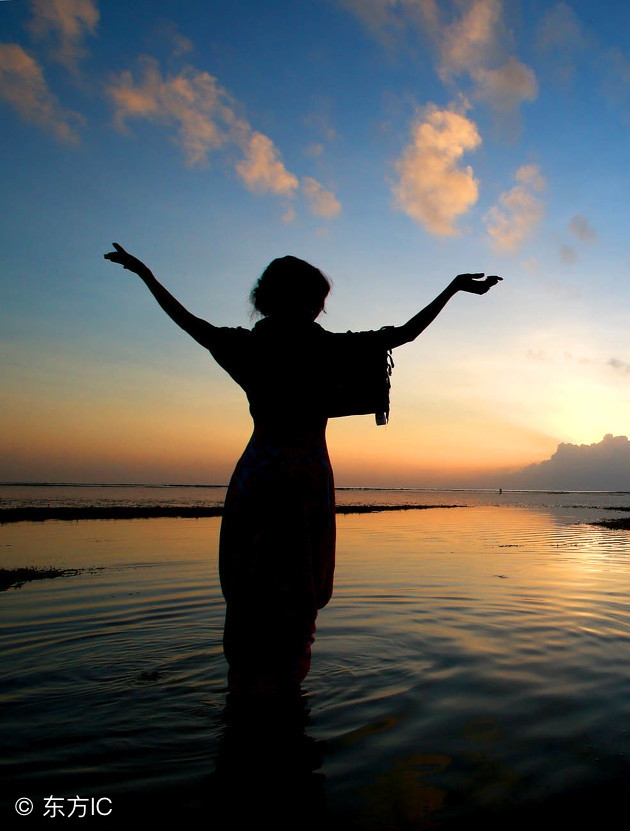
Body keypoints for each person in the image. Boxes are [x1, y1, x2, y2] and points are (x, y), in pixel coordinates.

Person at [104, 243, 500, 696]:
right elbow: (404, 333)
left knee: (250, 594)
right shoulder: (326, 348)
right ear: (308, 303)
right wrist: (453, 289)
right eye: (318, 301)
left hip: (257, 476)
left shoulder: (247, 347)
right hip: (304, 481)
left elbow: (188, 322)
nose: (321, 310)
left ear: (265, 300)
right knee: (295, 596)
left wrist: (145, 274)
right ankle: (286, 702)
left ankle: (245, 694)